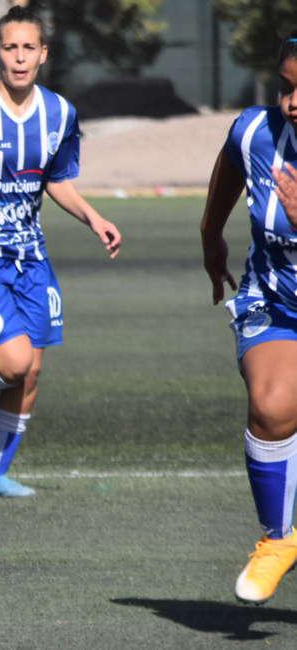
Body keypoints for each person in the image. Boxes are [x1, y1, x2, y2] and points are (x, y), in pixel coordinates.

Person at [0, 6, 120, 497]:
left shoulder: (60, 113)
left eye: (29, 47)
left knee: (30, 369)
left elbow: (58, 180)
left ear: (43, 54)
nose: (19, 57)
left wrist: (94, 218)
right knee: (12, 362)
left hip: (32, 259)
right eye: (10, 47)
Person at [200, 31, 297, 605]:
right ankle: (278, 540)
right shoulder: (257, 132)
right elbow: (229, 167)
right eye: (287, 87)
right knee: (271, 405)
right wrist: (211, 236)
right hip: (274, 297)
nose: (292, 103)